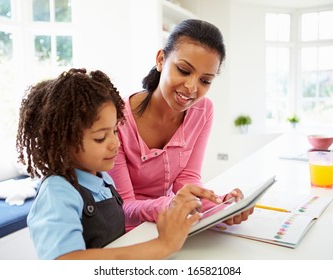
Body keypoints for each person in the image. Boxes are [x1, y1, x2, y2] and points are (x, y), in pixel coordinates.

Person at [16, 68, 222, 260]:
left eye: (114, 130)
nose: (115, 143)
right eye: (100, 138)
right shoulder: (58, 192)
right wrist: (162, 245)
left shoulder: (103, 180)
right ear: (61, 141)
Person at [108, 19, 254, 231]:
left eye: (205, 81)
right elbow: (124, 207)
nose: (191, 87)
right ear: (160, 60)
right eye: (184, 70)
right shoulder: (115, 117)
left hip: (170, 223)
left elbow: (187, 178)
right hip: (127, 233)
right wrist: (172, 205)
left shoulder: (203, 110)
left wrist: (220, 206)